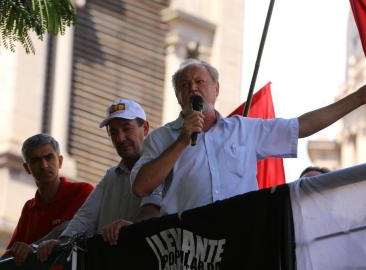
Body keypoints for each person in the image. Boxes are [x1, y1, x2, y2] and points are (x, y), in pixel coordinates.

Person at [131, 58, 366, 216]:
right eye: (185, 85)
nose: (193, 88)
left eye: (199, 82)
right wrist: (183, 141)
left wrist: (356, 98)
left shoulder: (245, 130)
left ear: (216, 89)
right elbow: (141, 187)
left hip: (241, 242)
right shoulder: (161, 139)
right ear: (179, 97)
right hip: (189, 249)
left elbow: (301, 126)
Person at [36, 98, 158, 262]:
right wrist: (60, 244)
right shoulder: (111, 177)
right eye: (113, 132)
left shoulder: (161, 166)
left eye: (126, 129)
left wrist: (131, 228)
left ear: (145, 128)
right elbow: (84, 220)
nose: (120, 138)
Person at [3, 134, 93, 265]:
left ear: (60, 161)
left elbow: (73, 228)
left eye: (49, 157)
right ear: (27, 168)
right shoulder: (29, 208)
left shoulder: (82, 191)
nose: (44, 165)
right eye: (36, 160)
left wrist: (32, 247)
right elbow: (10, 254)